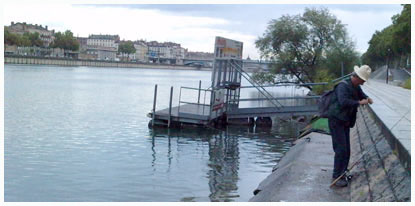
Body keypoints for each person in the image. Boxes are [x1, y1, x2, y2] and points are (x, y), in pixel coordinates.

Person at [328, 65, 373, 187]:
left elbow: (361, 94)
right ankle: (336, 176)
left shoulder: (356, 86)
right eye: (363, 80)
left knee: (347, 150)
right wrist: (359, 102)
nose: (363, 82)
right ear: (357, 77)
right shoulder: (342, 86)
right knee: (340, 149)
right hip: (336, 121)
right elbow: (343, 102)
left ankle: (343, 174)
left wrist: (367, 98)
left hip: (345, 121)